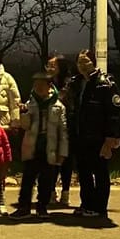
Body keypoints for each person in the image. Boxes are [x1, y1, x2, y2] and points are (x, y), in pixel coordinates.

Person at [66, 49, 120, 218]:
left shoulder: (105, 84)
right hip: (80, 136)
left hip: (98, 137)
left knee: (100, 172)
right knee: (83, 172)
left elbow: (114, 113)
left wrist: (110, 138)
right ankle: (87, 204)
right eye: (80, 62)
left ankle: (99, 207)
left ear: (94, 62)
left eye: (86, 61)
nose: (82, 65)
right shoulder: (76, 83)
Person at [10, 72, 69, 220]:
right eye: (36, 85)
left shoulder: (58, 106)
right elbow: (25, 126)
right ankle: (24, 207)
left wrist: (63, 152)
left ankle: (42, 207)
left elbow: (63, 131)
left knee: (46, 180)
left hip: (50, 146)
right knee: (27, 179)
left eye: (41, 85)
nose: (38, 88)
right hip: (32, 146)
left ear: (49, 86)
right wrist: (23, 113)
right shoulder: (30, 104)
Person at [45, 53, 76, 205]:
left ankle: (65, 192)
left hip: (66, 127)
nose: (50, 68)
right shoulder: (45, 82)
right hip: (50, 127)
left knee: (66, 160)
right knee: (51, 160)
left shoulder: (70, 84)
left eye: (53, 65)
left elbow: (68, 103)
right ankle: (51, 192)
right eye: (48, 65)